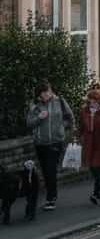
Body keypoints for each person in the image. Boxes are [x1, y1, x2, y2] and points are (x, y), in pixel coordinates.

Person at [26, 80, 74, 212]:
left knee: (50, 169)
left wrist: (61, 128)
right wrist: (39, 117)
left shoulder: (60, 101)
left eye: (49, 91)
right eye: (44, 93)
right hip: (40, 143)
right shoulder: (35, 105)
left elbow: (70, 118)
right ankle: (50, 195)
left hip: (55, 142)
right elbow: (29, 124)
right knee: (45, 171)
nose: (48, 95)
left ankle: (51, 198)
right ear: (39, 95)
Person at [79, 81, 100, 206]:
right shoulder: (84, 111)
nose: (91, 103)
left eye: (94, 100)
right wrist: (77, 138)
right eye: (90, 100)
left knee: (97, 168)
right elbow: (81, 127)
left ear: (99, 100)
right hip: (89, 144)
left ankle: (96, 194)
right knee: (93, 168)